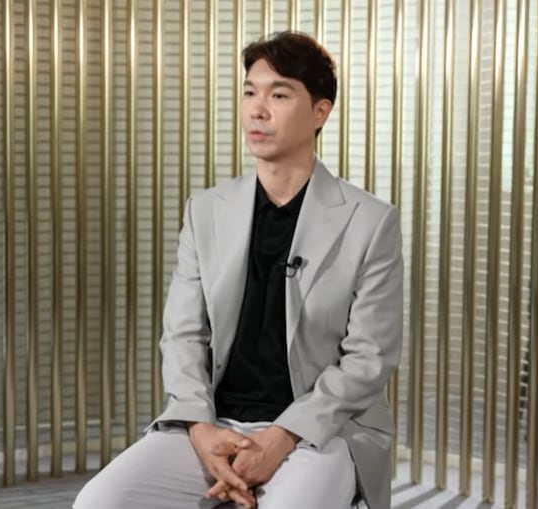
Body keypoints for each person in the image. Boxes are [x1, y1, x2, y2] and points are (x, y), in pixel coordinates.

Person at [74, 30, 403, 509]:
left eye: (279, 95)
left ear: (320, 112)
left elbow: (368, 359)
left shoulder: (370, 221)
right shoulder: (206, 210)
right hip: (213, 423)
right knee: (100, 502)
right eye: (250, 92)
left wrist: (280, 438)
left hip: (320, 430)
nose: (257, 110)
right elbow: (183, 336)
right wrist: (201, 430)